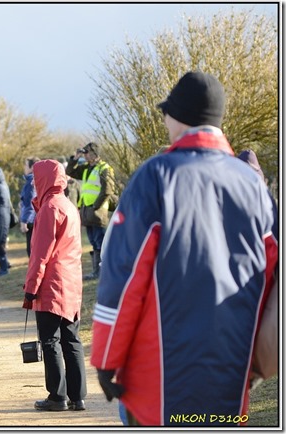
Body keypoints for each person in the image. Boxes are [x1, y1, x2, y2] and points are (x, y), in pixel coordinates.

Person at [90, 71, 278, 426]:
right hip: (231, 370)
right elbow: (270, 283)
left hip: (159, 381)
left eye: (166, 113)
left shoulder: (156, 176)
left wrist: (106, 359)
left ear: (179, 117)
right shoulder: (254, 187)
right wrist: (257, 363)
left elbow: (125, 278)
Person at [22, 159, 87, 412]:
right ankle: (77, 396)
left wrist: (31, 287)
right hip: (71, 281)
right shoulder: (69, 206)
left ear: (43, 180)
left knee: (50, 340)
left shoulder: (49, 208)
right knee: (71, 339)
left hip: (52, 282)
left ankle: (57, 396)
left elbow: (40, 254)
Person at [66, 142, 116, 280]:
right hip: (87, 212)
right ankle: (96, 272)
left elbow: (108, 190)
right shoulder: (88, 168)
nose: (85, 155)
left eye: (87, 153)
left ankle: (103, 273)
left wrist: (96, 206)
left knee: (101, 243)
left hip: (98, 212)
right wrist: (75, 158)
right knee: (94, 243)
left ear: (95, 153)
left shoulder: (104, 169)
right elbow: (70, 172)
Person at [19, 157, 39, 257]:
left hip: (31, 221)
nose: (24, 167)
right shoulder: (38, 179)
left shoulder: (31, 181)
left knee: (31, 251)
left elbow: (29, 202)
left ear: (32, 167)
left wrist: (24, 221)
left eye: (26, 165)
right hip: (36, 219)